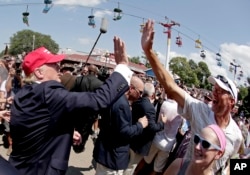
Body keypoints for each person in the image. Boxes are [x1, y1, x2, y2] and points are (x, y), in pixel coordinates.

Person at [9, 36, 134, 175]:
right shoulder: (47, 92)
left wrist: (66, 131)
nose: (59, 67)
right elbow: (99, 99)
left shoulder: (25, 92)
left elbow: (36, 126)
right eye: (53, 64)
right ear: (39, 72)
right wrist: (122, 66)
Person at [141, 19, 243, 174]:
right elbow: (171, 88)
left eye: (220, 91)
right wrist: (149, 52)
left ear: (232, 101)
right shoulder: (200, 110)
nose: (213, 93)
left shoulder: (237, 136)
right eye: (213, 88)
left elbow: (232, 161)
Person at [93, 76, 148, 175]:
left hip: (107, 152)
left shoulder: (117, 98)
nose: (140, 96)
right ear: (131, 88)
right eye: (140, 92)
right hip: (112, 156)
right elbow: (124, 131)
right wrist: (140, 125)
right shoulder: (122, 104)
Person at [124, 82, 165, 175]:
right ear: (153, 95)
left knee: (126, 163)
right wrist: (162, 123)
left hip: (132, 138)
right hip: (140, 143)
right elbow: (152, 127)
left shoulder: (137, 101)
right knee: (131, 167)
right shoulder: (150, 108)